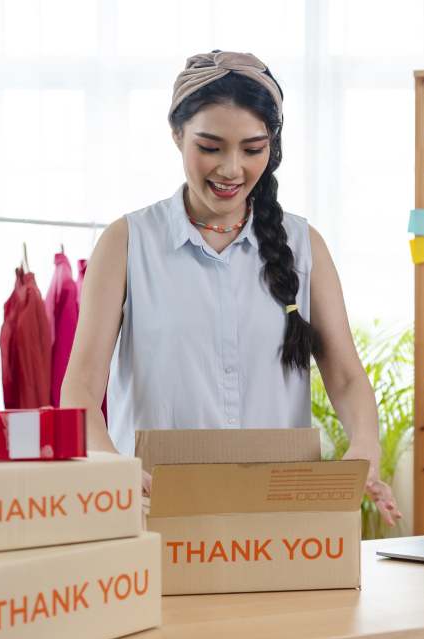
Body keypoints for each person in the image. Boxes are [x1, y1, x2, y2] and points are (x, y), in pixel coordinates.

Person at [61, 50, 401, 530]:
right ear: (177, 134)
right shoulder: (127, 242)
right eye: (211, 146)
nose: (231, 169)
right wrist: (112, 464)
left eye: (252, 148)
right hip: (152, 508)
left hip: (275, 515)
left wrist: (365, 445)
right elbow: (78, 388)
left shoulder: (304, 245)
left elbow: (344, 376)